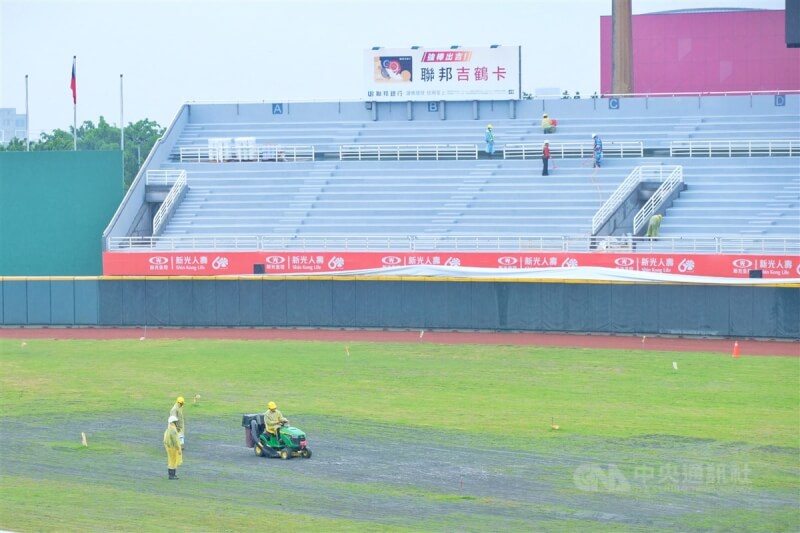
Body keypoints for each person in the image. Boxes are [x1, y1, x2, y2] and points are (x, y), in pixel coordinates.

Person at [164, 415, 183, 480]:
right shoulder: (172, 430)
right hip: (173, 448)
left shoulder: (169, 428)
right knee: (173, 461)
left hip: (169, 447)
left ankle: (171, 475)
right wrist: (178, 448)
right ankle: (172, 476)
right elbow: (175, 440)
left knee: (171, 461)